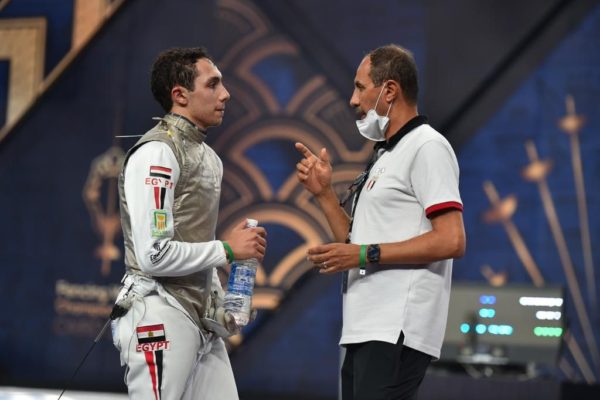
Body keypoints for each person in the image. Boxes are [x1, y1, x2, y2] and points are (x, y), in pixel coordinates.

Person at [295, 44, 465, 399]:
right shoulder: (387, 154)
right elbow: (355, 242)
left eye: (360, 87)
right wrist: (324, 194)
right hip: (365, 327)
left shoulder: (427, 147)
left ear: (389, 90)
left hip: (396, 328)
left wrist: (362, 255)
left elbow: (451, 240)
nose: (353, 100)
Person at [111, 47, 267, 400]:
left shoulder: (208, 158)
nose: (225, 94)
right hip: (158, 311)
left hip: (199, 318)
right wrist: (226, 249)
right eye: (213, 84)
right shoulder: (157, 153)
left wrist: (219, 298)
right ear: (180, 95)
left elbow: (193, 240)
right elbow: (153, 255)